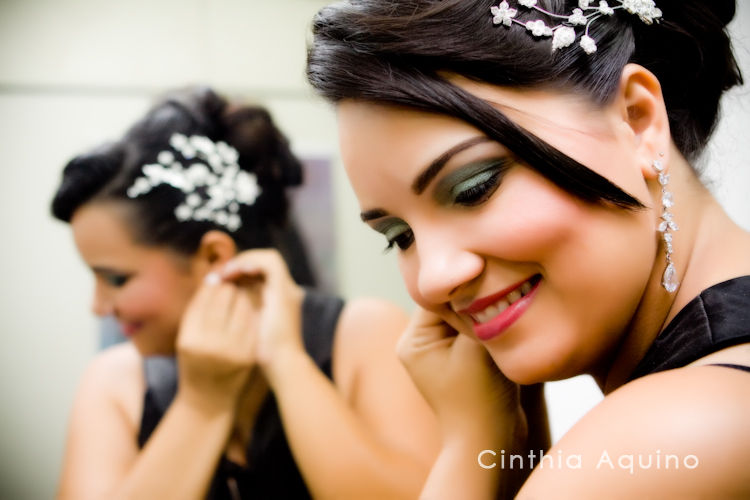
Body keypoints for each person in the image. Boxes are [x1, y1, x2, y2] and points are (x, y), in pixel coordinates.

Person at [306, 0, 750, 497]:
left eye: (474, 188)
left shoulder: (672, 437)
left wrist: (471, 449)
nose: (433, 279)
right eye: (399, 236)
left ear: (638, 121)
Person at [52, 86, 439, 499]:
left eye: (115, 279)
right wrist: (203, 403)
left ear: (214, 255)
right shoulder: (113, 382)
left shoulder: (365, 332)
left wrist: (287, 361)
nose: (98, 307)